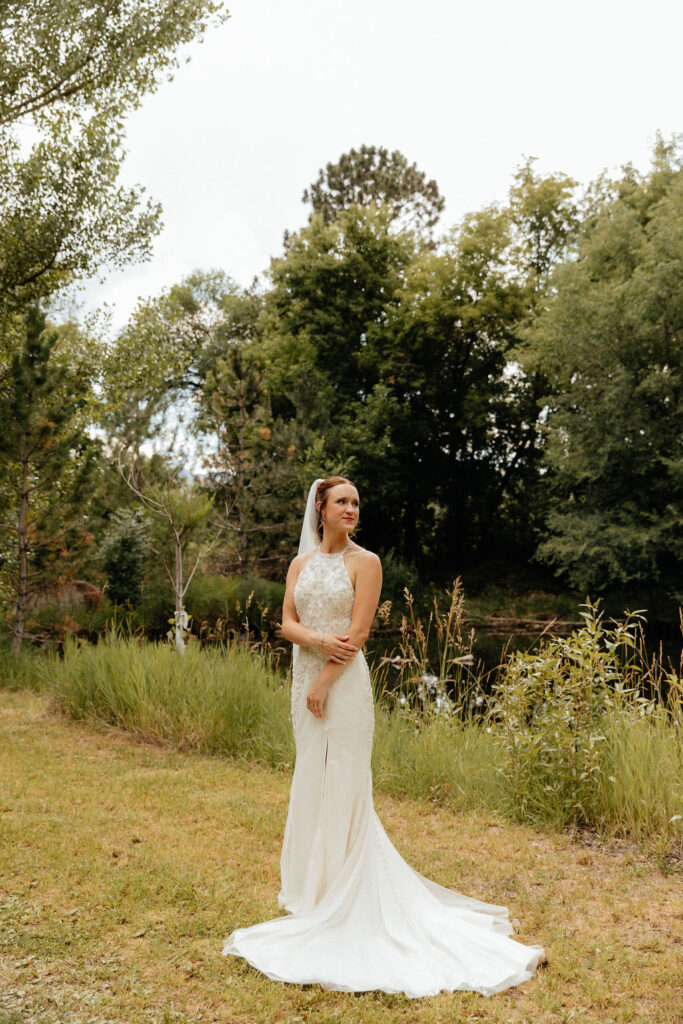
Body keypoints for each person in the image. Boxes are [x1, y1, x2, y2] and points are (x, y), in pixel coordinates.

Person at [223, 477, 545, 997]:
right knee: (311, 779)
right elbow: (285, 623)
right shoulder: (299, 565)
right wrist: (315, 644)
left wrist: (326, 679)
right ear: (320, 510)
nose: (351, 509)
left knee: (346, 783)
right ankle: (315, 894)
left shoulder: (365, 562)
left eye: (356, 503)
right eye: (341, 502)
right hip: (302, 679)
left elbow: (361, 632)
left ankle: (350, 899)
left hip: (341, 686)